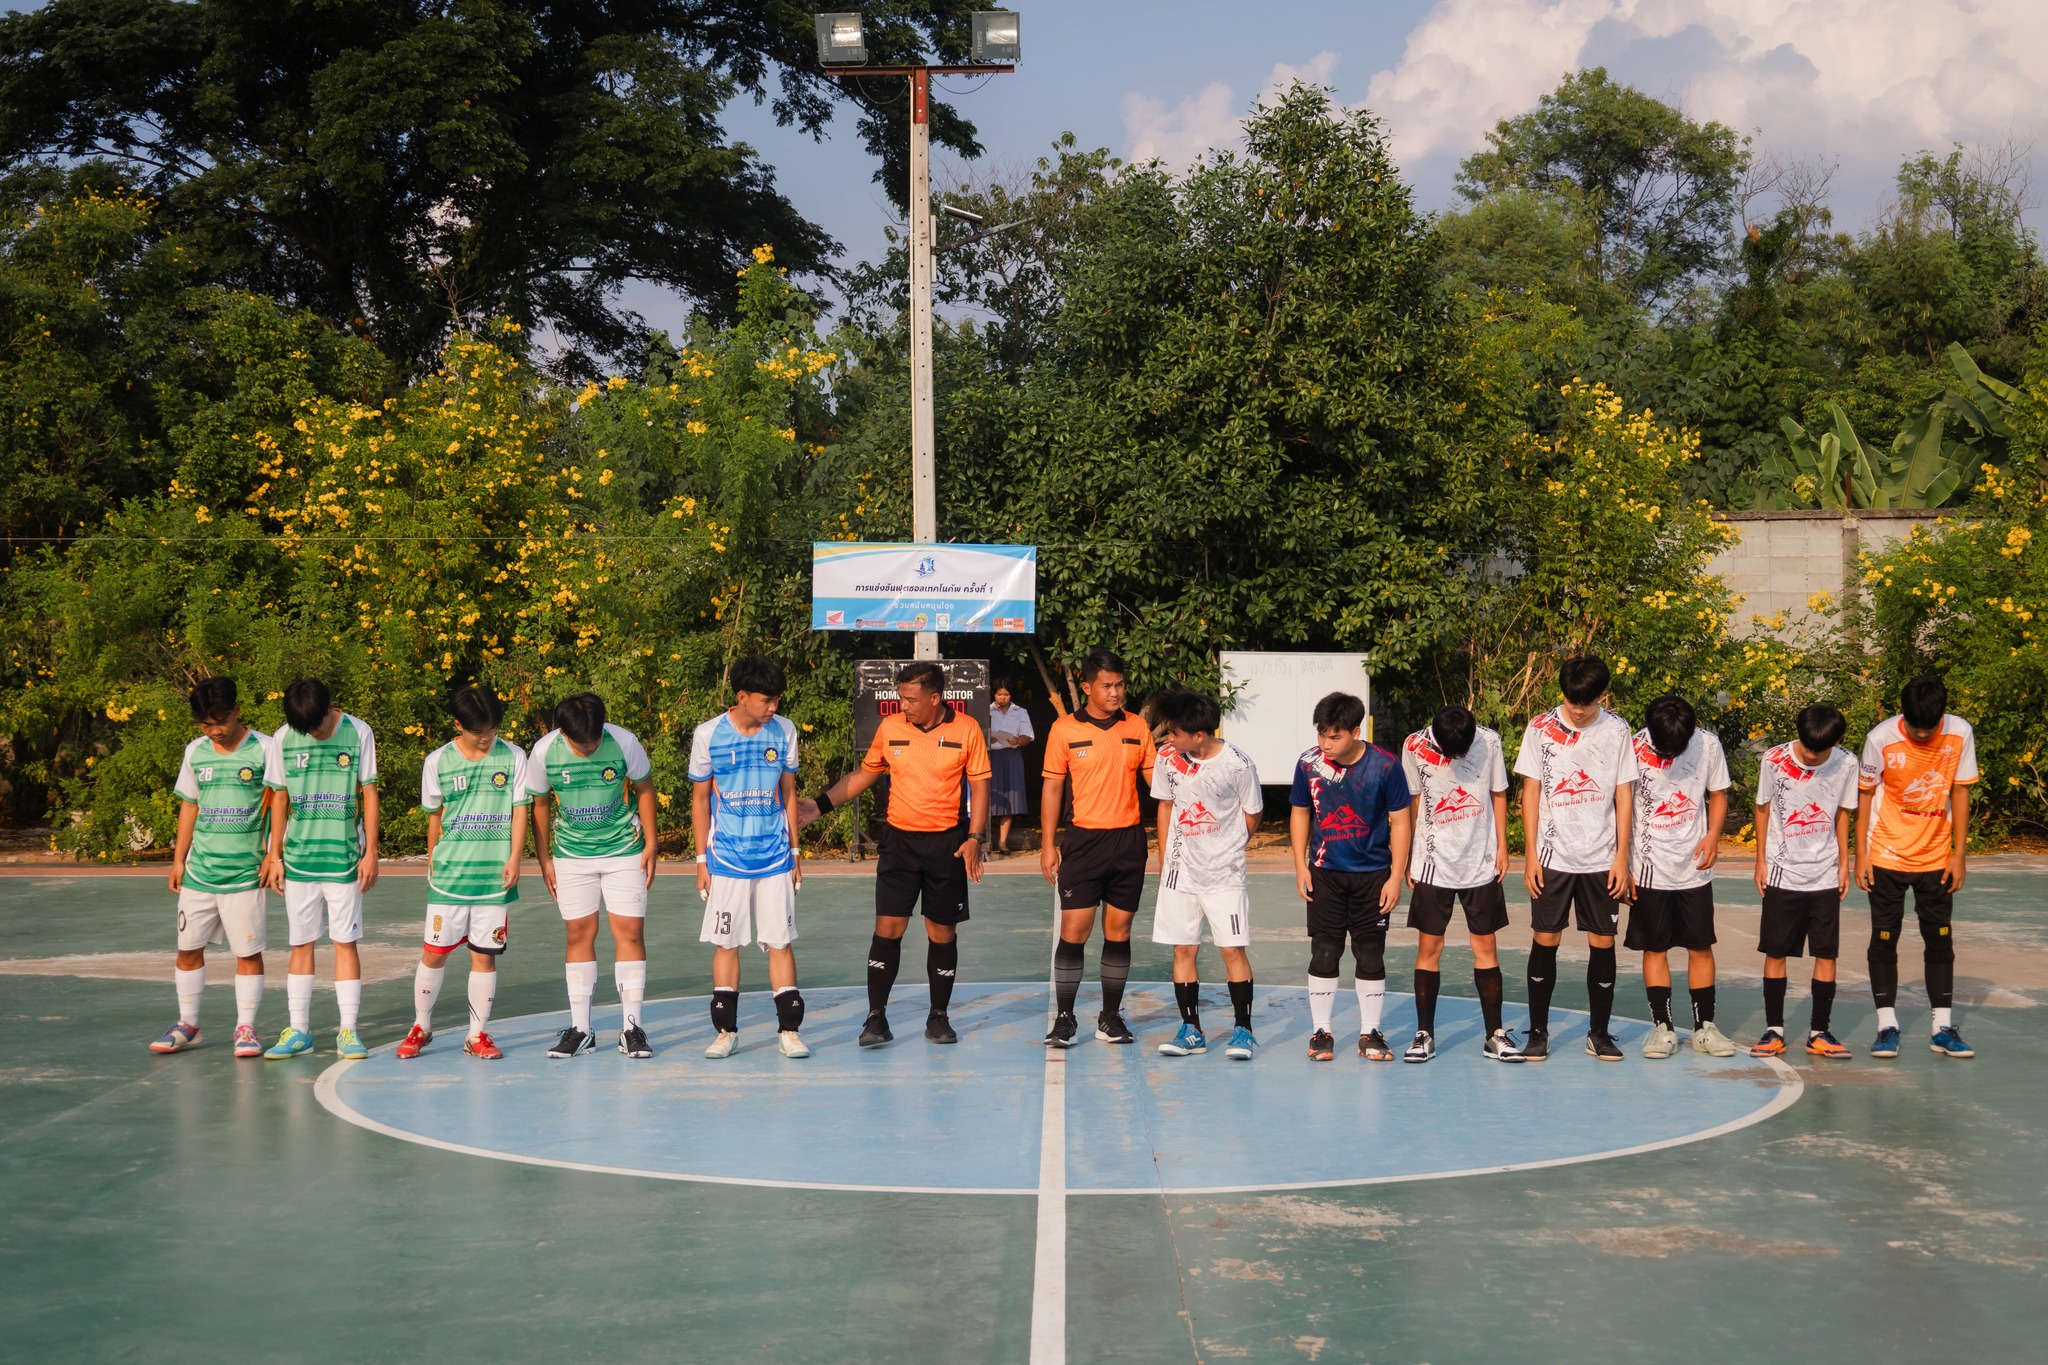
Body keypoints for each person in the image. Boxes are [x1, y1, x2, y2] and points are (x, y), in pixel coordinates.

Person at [802, 660, 990, 1047]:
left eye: (910, 699)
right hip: (899, 845)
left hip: (947, 845)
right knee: (888, 930)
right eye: (900, 697)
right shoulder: (890, 728)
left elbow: (981, 785)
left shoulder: (966, 729)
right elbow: (865, 773)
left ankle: (938, 1017)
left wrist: (975, 837)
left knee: (941, 933)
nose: (902, 705)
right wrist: (819, 805)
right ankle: (876, 1017)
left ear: (936, 698)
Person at [397, 685, 528, 1061]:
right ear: (458, 725)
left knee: (484, 956)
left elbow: (520, 808)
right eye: (478, 734)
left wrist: (516, 856)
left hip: (493, 878)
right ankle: (421, 1024)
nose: (487, 740)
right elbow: (434, 816)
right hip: (450, 876)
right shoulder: (437, 761)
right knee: (434, 953)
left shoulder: (514, 756)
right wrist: (432, 856)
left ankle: (477, 1034)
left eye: (492, 731)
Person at [1513, 655, 1635, 1062]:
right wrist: (1530, 855)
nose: (1579, 710)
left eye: (1587, 701)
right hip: (1553, 855)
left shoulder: (1617, 729)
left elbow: (1624, 794)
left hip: (1601, 858)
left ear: (1602, 695)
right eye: (1571, 700)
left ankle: (1598, 1033)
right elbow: (1531, 791)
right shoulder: (1540, 728)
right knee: (1545, 939)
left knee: (1602, 942)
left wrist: (1622, 857)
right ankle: (1538, 1032)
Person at [151, 678, 277, 1058]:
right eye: (206, 725)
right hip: (200, 872)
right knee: (187, 949)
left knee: (247, 954)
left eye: (220, 721)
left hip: (245, 873)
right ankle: (188, 1023)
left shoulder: (266, 748)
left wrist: (273, 856)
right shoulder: (196, 752)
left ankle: (246, 1028)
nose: (215, 731)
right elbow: (190, 805)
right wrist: (178, 859)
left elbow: (277, 806)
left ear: (237, 710)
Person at [527, 693, 657, 1060]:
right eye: (580, 743)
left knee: (630, 933)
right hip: (571, 856)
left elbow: (645, 789)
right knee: (578, 933)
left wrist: (651, 844)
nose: (588, 747)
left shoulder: (624, 742)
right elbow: (540, 803)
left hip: (624, 851)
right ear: (562, 733)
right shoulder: (543, 752)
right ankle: (581, 1030)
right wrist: (543, 858)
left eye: (594, 740)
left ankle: (631, 1028)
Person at [689, 656, 807, 1059]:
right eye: (766, 700)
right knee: (726, 944)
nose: (773, 707)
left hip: (774, 856)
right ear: (742, 697)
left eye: (776, 700)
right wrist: (701, 861)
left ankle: (789, 1032)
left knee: (780, 941)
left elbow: (789, 793)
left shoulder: (784, 730)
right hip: (726, 858)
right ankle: (726, 1032)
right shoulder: (708, 735)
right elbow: (701, 798)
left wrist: (794, 852)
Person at [1857, 676, 1978, 1059]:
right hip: (1886, 855)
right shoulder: (1881, 738)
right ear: (1902, 716)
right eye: (1915, 727)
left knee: (1940, 940)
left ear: (1942, 715)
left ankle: (1941, 1028)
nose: (1923, 734)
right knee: (1884, 938)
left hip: (1937, 857)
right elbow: (1864, 795)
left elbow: (1961, 790)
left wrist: (1959, 854)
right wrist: (1859, 854)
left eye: (1929, 727)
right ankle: (1886, 1026)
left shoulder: (1959, 732)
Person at [1039, 650, 1156, 1047]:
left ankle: (1110, 1017)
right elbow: (1053, 787)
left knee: (1118, 932)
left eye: (1120, 684)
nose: (1115, 692)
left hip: (1128, 841)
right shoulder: (1064, 730)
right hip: (1083, 841)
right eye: (1107, 685)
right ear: (1087, 687)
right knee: (1075, 930)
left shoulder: (1138, 727)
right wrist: (1047, 842)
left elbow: (1158, 783)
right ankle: (1065, 1018)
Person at [1287, 692, 1412, 1061]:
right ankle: (1321, 1032)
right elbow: (1299, 812)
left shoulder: (1386, 765)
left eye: (1335, 736)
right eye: (1321, 735)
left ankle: (1370, 1033)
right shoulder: (1308, 763)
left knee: (1370, 952)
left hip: (1373, 875)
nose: (1325, 744)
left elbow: (1402, 821)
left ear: (1356, 732)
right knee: (1325, 950)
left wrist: (1395, 877)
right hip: (1324, 874)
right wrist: (1299, 865)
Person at [258, 678, 378, 1061]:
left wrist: (371, 851)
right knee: (301, 943)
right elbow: (279, 796)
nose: (313, 732)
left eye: (317, 725)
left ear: (330, 708)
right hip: (298, 860)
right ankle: (300, 1031)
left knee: (345, 941)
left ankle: (348, 1031)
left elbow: (370, 792)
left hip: (345, 859)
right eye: (305, 729)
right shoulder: (283, 738)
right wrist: (274, 855)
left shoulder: (358, 732)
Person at [1397, 704, 1519, 1063]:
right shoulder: (1414, 744)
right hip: (1433, 863)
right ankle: (1424, 1035)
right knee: (1429, 948)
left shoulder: (1490, 741)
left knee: (1486, 947)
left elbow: (1499, 793)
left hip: (1480, 861)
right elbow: (1413, 801)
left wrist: (1503, 847)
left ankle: (1494, 1035)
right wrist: (1410, 858)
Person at [1151, 687, 1265, 1060]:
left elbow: (1252, 812)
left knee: (1232, 949)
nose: (1169, 739)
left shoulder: (1237, 764)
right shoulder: (1168, 758)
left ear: (1199, 735)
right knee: (1183, 947)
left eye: (1175, 733)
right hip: (1180, 873)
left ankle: (1243, 1030)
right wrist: (1167, 856)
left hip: (1224, 875)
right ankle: (1191, 1030)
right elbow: (1166, 806)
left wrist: (1230, 847)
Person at [1625, 694, 1735, 1059]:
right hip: (1648, 867)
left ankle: (1705, 1027)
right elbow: (1621, 804)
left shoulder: (1708, 745)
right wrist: (1622, 863)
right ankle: (1663, 1028)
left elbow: (1718, 794)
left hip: (1693, 868)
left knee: (1700, 946)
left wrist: (1713, 834)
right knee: (1654, 948)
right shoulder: (1633, 747)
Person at [1750, 703, 1860, 1059]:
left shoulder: (1846, 763)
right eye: (1808, 747)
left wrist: (1845, 863)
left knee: (1826, 953)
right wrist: (1760, 861)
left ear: (1837, 741)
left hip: (1825, 874)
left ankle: (1819, 1032)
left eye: (1820, 749)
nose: (1812, 755)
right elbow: (1763, 807)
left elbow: (1843, 814)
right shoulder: (1774, 759)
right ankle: (1774, 1031)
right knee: (1776, 951)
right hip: (1783, 873)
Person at [987, 682, 1034, 856]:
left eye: (1006, 694)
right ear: (994, 695)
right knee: (988, 795)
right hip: (991, 756)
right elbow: (978, 733)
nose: (1002, 697)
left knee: (1010, 797)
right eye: (999, 694)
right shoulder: (987, 710)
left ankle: (1003, 842)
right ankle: (984, 839)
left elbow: (1027, 736)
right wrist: (988, 738)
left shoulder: (1020, 712)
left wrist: (1019, 741)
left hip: (1012, 756)